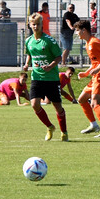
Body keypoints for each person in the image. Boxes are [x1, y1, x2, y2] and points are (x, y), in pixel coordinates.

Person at [24, 12, 67, 140]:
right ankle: (49, 126)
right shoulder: (29, 41)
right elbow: (30, 54)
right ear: (30, 25)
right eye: (33, 25)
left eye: (38, 24)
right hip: (37, 77)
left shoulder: (49, 40)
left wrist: (50, 66)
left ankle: (64, 132)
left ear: (42, 25)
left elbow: (59, 57)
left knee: (58, 107)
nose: (35, 27)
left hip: (51, 79)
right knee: (34, 104)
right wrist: (27, 64)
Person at [74, 19, 100, 138]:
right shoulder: (88, 44)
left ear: (84, 30)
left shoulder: (94, 42)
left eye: (77, 31)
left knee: (95, 103)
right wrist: (86, 73)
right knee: (81, 99)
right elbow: (95, 62)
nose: (77, 33)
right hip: (95, 77)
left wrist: (98, 69)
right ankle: (93, 125)